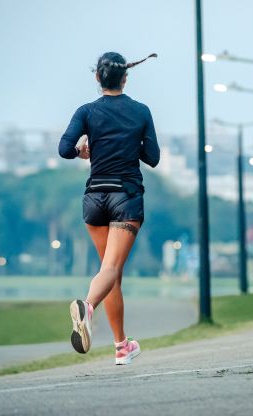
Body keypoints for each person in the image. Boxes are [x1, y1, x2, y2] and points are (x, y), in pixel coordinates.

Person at [58, 51, 159, 365]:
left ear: (97, 78)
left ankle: (121, 346)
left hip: (94, 199)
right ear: (125, 78)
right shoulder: (141, 111)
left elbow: (64, 149)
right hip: (125, 197)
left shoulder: (86, 111)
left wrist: (82, 150)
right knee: (112, 270)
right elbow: (153, 157)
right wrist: (131, 139)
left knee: (109, 271)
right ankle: (87, 308)